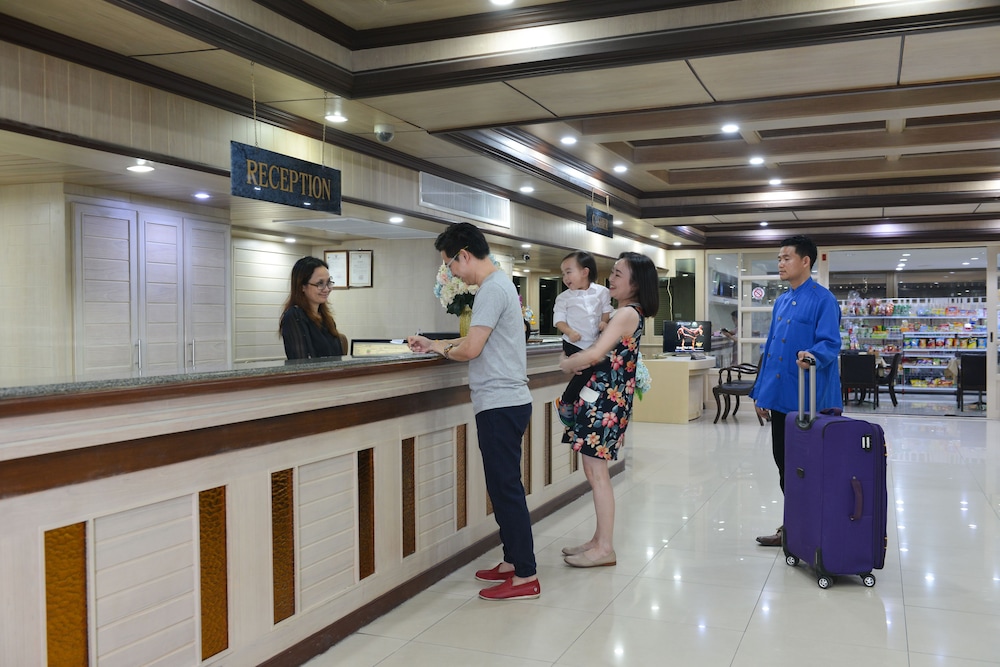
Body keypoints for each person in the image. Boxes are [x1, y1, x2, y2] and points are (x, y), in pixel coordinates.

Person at [407, 223, 539, 601]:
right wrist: (434, 343)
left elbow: (471, 349)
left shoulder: (492, 289)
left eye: (449, 264)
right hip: (505, 401)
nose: (451, 273)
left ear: (464, 255)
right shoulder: (498, 286)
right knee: (502, 488)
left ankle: (526, 575)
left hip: (500, 403)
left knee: (506, 490)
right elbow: (475, 338)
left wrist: (441, 349)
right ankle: (513, 561)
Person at [558, 251, 659, 568]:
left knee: (597, 473)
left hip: (605, 402)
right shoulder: (623, 313)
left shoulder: (626, 314)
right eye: (612, 272)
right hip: (603, 399)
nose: (611, 279)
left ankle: (604, 548)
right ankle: (598, 540)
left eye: (618, 274)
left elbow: (595, 353)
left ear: (635, 283)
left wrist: (567, 363)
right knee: (593, 471)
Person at [749, 235, 842, 546]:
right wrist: (762, 392)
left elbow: (830, 344)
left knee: (808, 468)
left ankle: (813, 531)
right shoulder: (781, 301)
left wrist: (813, 356)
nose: (780, 263)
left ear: (806, 261)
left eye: (786, 257)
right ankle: (794, 527)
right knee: (785, 465)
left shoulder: (823, 300)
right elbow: (772, 348)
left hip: (808, 400)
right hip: (780, 398)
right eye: (779, 258)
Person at [553, 251, 613, 426]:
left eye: (568, 272)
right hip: (573, 343)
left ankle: (588, 407)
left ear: (585, 272)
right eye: (563, 274)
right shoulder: (563, 298)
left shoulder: (602, 292)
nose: (565, 278)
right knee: (585, 371)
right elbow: (558, 320)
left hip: (593, 344)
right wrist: (570, 332)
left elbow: (606, 310)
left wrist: (604, 322)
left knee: (603, 369)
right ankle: (565, 401)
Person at [279, 256, 345, 360]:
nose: (327, 289)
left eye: (328, 282)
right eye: (320, 283)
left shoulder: (326, 318)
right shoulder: (294, 316)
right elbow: (301, 363)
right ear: (302, 286)